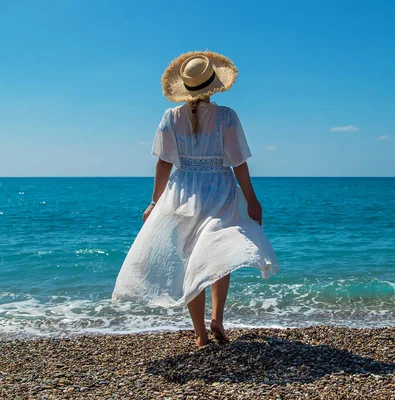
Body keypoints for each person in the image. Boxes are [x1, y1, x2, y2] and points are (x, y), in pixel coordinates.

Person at [112, 50, 280, 347]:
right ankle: (217, 318)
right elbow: (239, 162)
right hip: (220, 189)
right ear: (213, 85)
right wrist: (253, 199)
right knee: (219, 255)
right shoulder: (226, 116)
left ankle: (200, 334)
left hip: (182, 192)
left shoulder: (170, 117)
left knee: (191, 260)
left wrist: (154, 202)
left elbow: (164, 163)